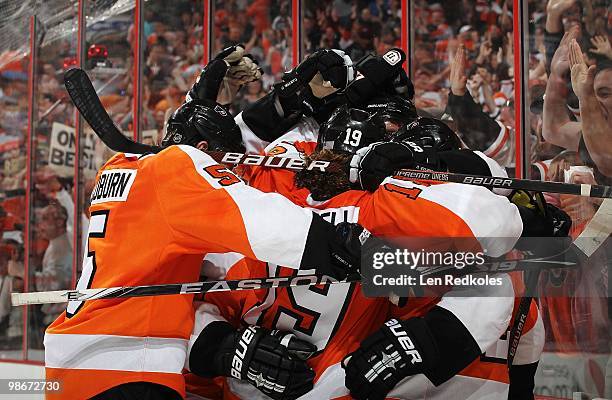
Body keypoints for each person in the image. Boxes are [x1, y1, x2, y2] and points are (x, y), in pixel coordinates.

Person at [43, 50, 373, 400]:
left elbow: (180, 160)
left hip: (74, 363)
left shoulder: (121, 167)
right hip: (128, 371)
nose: (232, 174)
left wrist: (203, 102)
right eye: (225, 165)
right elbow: (258, 219)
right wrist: (341, 245)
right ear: (201, 149)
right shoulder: (177, 171)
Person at [184, 99, 563, 399]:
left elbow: (196, 300)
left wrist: (229, 348)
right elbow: (499, 223)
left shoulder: (270, 203)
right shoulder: (386, 214)